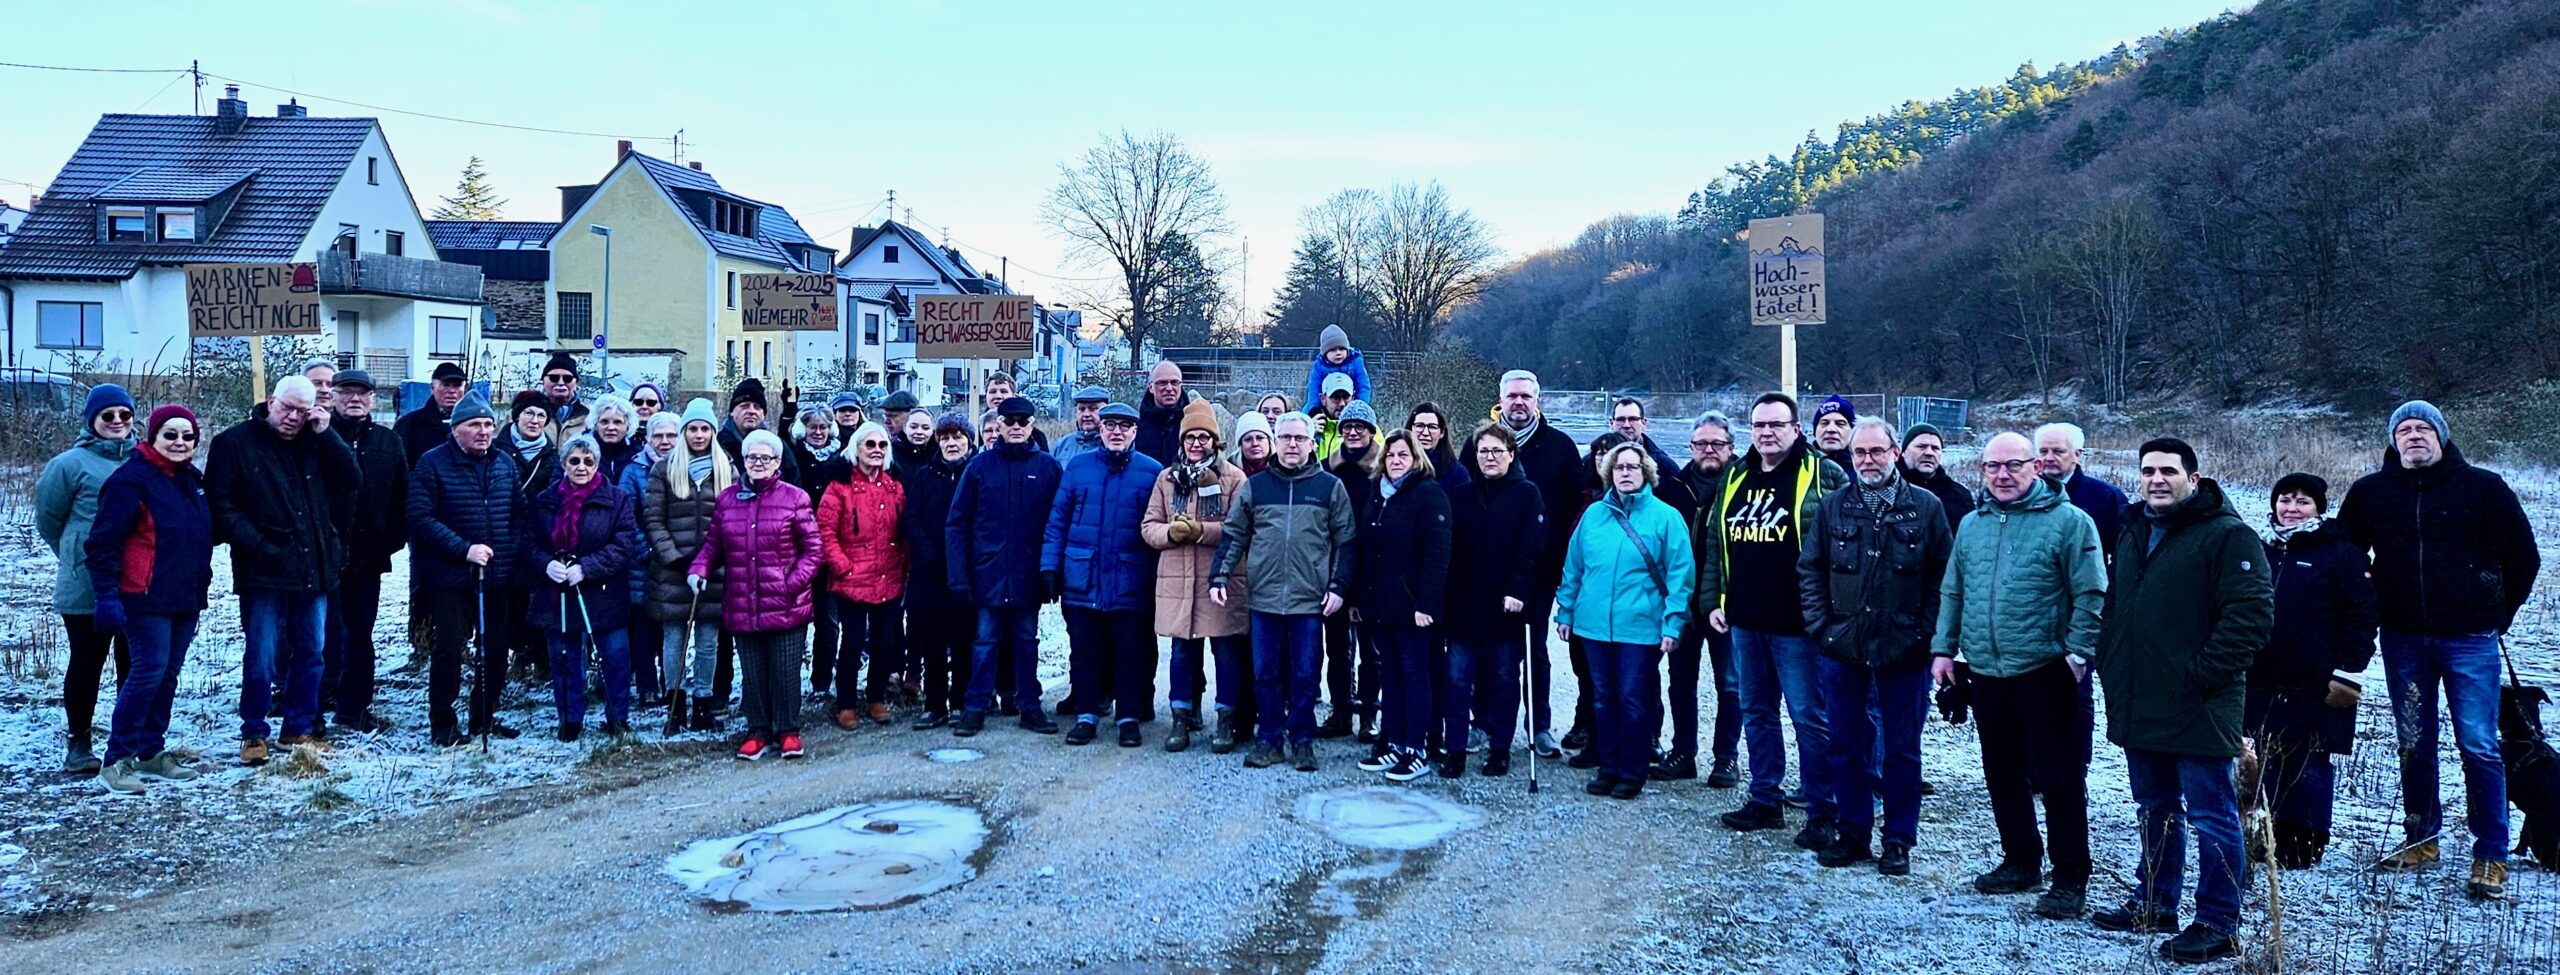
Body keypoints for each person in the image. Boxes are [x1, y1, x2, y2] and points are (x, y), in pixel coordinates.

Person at [2340, 400, 2540, 900]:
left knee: (2478, 745)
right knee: (2414, 741)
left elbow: (2524, 556)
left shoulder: (2483, 488)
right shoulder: (2370, 494)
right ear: (2393, 441)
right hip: (2404, 638)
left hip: (2471, 639)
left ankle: (2490, 852)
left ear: (2442, 437)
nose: (2413, 436)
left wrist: (2497, 611)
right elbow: (2344, 557)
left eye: (2423, 428)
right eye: (2403, 430)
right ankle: (2422, 839)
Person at [2089, 437, 2271, 963]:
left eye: (2169, 471)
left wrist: (2201, 675)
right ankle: (2155, 901)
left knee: (2211, 813)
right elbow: (2117, 606)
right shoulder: (2132, 529)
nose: (2156, 480)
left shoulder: (2228, 536)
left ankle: (2217, 921)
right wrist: (2109, 658)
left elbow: (2251, 618)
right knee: (2154, 807)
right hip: (2138, 694)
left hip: (2199, 700)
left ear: (2194, 478)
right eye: (2148, 471)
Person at [1931, 431, 2106, 920]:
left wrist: (2076, 654)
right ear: (1981, 471)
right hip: (1986, 670)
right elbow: (1953, 591)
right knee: (2002, 771)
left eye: (2014, 465)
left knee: (2059, 777)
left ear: (2036, 467)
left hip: (2045, 670)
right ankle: (2021, 859)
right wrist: (1944, 649)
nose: (2003, 475)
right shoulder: (1972, 525)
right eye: (1993, 467)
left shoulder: (2070, 522)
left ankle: (2070, 875)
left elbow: (2091, 593)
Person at [1798, 418, 1952, 873]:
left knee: (1902, 749)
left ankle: (1899, 840)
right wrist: (1822, 628)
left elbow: (1943, 577)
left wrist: (1925, 632)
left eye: (1876, 452)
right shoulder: (1833, 507)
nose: (1867, 461)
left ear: (1895, 453)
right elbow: (1811, 570)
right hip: (1842, 646)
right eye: (1859, 453)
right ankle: (1853, 833)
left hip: (1904, 649)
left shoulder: (1925, 508)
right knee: (1846, 744)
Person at [1697, 392, 1848, 845]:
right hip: (1745, 619)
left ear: (1795, 429)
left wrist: (1831, 612)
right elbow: (1714, 546)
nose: (1767, 432)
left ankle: (1825, 809)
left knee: (1809, 717)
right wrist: (1713, 599)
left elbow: (1845, 546)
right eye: (1759, 425)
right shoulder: (1736, 475)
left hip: (1799, 625)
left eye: (1776, 425)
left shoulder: (1824, 474)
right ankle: (1765, 798)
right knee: (1756, 712)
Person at [206, 376, 357, 765]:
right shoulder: (233, 444)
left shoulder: (316, 441)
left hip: (315, 565)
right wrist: (260, 546)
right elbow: (221, 509)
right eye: (287, 408)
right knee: (263, 653)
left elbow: (351, 480)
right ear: (270, 401)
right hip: (264, 570)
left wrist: (327, 436)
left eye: (302, 412)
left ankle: (299, 727)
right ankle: (254, 732)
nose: (293, 417)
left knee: (312, 651)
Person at [1211, 412, 1357, 772]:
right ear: (1276, 442)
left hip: (1310, 601)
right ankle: (1270, 739)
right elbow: (1234, 534)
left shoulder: (1329, 488)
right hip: (1264, 599)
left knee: (1306, 674)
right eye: (1286, 438)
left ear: (1312, 443)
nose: (1293, 444)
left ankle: (1302, 739)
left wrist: (1338, 587)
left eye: (1300, 438)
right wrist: (1219, 576)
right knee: (1266, 673)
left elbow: (1347, 542)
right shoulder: (1257, 487)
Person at [2248, 473, 2377, 870]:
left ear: (2319, 508)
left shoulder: (2341, 553)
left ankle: (2306, 842)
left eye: (2303, 501)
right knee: (2266, 757)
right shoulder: (2260, 549)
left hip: (2319, 680)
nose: (2292, 508)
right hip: (2264, 675)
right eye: (2285, 500)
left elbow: (2362, 616)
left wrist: (2348, 673)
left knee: (2310, 762)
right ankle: (2265, 835)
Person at [1557, 441, 1694, 801]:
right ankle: (1608, 765)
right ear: (1609, 473)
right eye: (1619, 468)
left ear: (1646, 472)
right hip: (1593, 625)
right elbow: (1574, 568)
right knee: (1602, 697)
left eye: (1633, 467)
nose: (1626, 473)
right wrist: (1566, 611)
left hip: (1641, 627)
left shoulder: (1666, 518)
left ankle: (1632, 770)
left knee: (1634, 698)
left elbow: (1681, 575)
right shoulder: (1593, 516)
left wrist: (1673, 623)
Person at [86, 405, 212, 795]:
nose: (179, 442)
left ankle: (150, 751)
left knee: (167, 676)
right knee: (147, 673)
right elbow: (102, 543)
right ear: (152, 436)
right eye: (170, 435)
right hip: (143, 596)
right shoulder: (131, 480)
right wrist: (107, 594)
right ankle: (117, 759)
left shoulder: (190, 478)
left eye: (187, 436)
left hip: (185, 596)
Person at [690, 430, 823, 761]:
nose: (758, 463)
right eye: (752, 457)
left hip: (786, 603)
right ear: (743, 461)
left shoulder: (795, 498)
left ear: (777, 462)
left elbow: (813, 550)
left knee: (785, 669)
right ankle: (758, 730)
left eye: (766, 458)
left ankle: (788, 730)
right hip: (742, 599)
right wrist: (699, 569)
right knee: (753, 670)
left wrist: (791, 584)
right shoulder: (727, 499)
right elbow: (713, 545)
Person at [406, 392, 522, 747]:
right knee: (450, 650)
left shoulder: (504, 464)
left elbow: (519, 514)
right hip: (450, 576)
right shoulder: (432, 463)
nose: (484, 431)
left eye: (489, 424)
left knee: (496, 650)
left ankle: (483, 717)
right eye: (474, 425)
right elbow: (420, 517)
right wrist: (463, 550)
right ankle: (443, 722)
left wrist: (506, 550)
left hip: (497, 576)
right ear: (456, 429)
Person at [1047, 402, 1166, 746]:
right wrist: (1050, 567)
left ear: (1134, 432)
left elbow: (1157, 528)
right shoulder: (1078, 468)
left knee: (1128, 652)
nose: (1116, 432)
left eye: (1124, 426)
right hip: (1082, 577)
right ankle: (1086, 714)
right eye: (1110, 425)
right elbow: (1058, 521)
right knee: (1085, 651)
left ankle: (1128, 717)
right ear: (1100, 430)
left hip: (1130, 580)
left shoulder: (1151, 472)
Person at [948, 396, 1065, 737]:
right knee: (984, 643)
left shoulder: (1048, 468)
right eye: (1008, 421)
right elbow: (957, 523)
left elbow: (1058, 523)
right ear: (997, 425)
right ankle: (976, 707)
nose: (1015, 427)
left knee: (1027, 642)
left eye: (1022, 421)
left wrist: (1052, 572)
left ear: (1032, 425)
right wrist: (959, 575)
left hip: (1030, 574)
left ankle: (1029, 705)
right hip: (988, 573)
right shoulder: (979, 467)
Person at [36, 383, 135, 773]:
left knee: (135, 661)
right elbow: (48, 518)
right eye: (107, 415)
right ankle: (79, 742)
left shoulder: (144, 459)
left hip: (137, 580)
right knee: (86, 662)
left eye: (124, 415)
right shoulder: (69, 464)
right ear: (92, 420)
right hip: (85, 583)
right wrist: (75, 554)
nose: (116, 422)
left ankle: (127, 739)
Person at [1143, 399, 1253, 753]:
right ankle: (1181, 718)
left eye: (1204, 437)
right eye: (1191, 437)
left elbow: (1238, 530)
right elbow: (1149, 526)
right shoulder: (1166, 478)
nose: (1196, 443)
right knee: (1181, 655)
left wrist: (1200, 531)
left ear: (1215, 441)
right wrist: (1169, 534)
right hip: (1178, 582)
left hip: (1220, 580)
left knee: (1226, 653)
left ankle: (1225, 720)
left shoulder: (1234, 478)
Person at [1443, 422, 1547, 778]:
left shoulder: (1526, 493)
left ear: (1510, 455)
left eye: (1497, 451)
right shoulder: (1461, 494)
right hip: (1463, 605)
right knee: (1457, 681)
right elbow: (1449, 549)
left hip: (1507, 607)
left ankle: (1499, 748)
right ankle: (1455, 748)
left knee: (1504, 679)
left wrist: (1518, 591)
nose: (1490, 458)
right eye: (1483, 451)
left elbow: (1531, 548)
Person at [523, 434, 642, 742]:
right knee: (564, 657)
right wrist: (546, 564)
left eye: (588, 461)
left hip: (603, 590)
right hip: (558, 591)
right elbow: (530, 541)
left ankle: (617, 717)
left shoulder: (617, 499)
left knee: (614, 657)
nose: (581, 467)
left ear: (597, 463)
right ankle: (570, 718)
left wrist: (587, 568)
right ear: (563, 464)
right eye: (574, 461)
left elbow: (624, 542)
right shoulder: (546, 500)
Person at [1351, 429, 1453, 782]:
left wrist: (1427, 603)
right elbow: (1366, 550)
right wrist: (1360, 599)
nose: (1395, 461)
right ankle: (1393, 742)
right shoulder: (1378, 495)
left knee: (1415, 675)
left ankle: (1416, 747)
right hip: (1381, 606)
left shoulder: (1428, 494)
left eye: (1403, 455)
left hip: (1414, 608)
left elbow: (1438, 554)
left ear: (1415, 459)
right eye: (1391, 455)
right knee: (1389, 675)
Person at [1496, 370, 1586, 758]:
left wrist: (1556, 553)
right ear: (1501, 399)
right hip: (1490, 570)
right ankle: (1488, 722)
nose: (1519, 403)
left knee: (1534, 650)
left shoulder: (1560, 447)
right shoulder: (1483, 444)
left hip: (1541, 570)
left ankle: (1540, 726)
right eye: (1512, 396)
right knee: (1492, 649)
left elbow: (1575, 508)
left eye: (1526, 397)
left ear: (1537, 401)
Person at [1656, 412, 1740, 786]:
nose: (1709, 450)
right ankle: (1683, 751)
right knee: (1681, 681)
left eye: (1717, 444)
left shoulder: (1745, 484)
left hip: (1729, 602)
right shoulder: (1673, 487)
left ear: (1731, 448)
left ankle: (1726, 757)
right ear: (1690, 448)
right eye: (1701, 444)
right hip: (1684, 602)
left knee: (1730, 684)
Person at [325, 369, 406, 734]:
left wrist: (390, 539)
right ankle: (313, 703)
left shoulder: (388, 442)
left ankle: (354, 708)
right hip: (323, 556)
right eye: (346, 392)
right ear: (333, 396)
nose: (354, 399)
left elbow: (403, 496)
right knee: (320, 634)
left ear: (374, 399)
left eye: (362, 393)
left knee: (360, 633)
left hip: (368, 558)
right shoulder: (319, 438)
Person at [646, 399, 732, 735]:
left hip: (713, 572)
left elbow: (732, 521)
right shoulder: (664, 469)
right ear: (684, 432)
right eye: (693, 428)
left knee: (708, 641)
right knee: (674, 640)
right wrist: (676, 558)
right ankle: (675, 703)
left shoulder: (727, 469)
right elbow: (653, 519)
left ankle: (703, 703)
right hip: (673, 569)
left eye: (705, 429)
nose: (699, 435)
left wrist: (713, 562)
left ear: (713, 431)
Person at [819, 422, 908, 729]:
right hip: (852, 579)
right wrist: (843, 566)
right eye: (869, 445)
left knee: (884, 642)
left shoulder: (895, 487)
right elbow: (825, 532)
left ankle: (876, 698)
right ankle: (845, 703)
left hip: (889, 576)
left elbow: (904, 530)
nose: (876, 451)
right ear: (855, 449)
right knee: (853, 643)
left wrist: (905, 564)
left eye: (882, 445)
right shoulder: (839, 487)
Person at [901, 413, 976, 729]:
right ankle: (934, 704)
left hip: (967, 572)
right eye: (945, 437)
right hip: (930, 572)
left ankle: (960, 701)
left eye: (957, 437)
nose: (951, 443)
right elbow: (911, 517)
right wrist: (928, 553)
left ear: (968, 441)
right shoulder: (925, 474)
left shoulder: (976, 473)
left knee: (963, 642)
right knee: (932, 642)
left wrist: (967, 557)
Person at [1321, 399, 1383, 741]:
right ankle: (1341, 710)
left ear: (1371, 432)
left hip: (1372, 572)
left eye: (1360, 426)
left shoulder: (1383, 470)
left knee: (1372, 652)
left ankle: (1369, 715)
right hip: (1334, 569)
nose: (1353, 431)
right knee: (1337, 649)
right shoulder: (1327, 469)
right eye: (1347, 426)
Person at [620, 412, 681, 703]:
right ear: (648, 438)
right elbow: (626, 517)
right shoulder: (633, 471)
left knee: (670, 627)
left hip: (678, 560)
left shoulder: (686, 467)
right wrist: (651, 549)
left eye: (671, 436)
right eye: (659, 436)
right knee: (644, 627)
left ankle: (671, 683)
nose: (665, 441)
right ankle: (646, 686)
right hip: (643, 561)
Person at [502, 390, 557, 684]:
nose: (534, 420)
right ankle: (516, 654)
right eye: (529, 414)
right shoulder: (498, 449)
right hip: (504, 533)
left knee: (538, 598)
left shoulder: (552, 455)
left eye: (540, 416)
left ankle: (539, 656)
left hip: (540, 536)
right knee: (511, 599)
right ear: (517, 416)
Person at [1898, 423, 1973, 536]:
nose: (1929, 453)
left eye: (1935, 448)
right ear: (1903, 452)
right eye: (1921, 446)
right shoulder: (1885, 490)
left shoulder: (1960, 496)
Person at [719, 378, 796, 484]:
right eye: (744, 406)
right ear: (732, 411)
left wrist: (789, 416)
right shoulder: (718, 447)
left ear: (763, 414)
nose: (751, 411)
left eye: (757, 407)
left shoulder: (777, 447)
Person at [399, 361, 470, 466]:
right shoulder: (409, 425)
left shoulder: (477, 424)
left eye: (457, 385)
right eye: (445, 385)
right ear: (432, 388)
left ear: (465, 389)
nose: (451, 391)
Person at [1135, 361, 1195, 468]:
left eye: (1174, 382)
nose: (1169, 388)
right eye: (1162, 383)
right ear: (1151, 387)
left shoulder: (1194, 424)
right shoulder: (1135, 426)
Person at [1606, 397, 1686, 475]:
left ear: (1644, 423)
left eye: (1633, 419)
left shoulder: (1666, 468)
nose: (1626, 425)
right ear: (1611, 423)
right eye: (1620, 419)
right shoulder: (1597, 462)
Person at [1406, 403, 1469, 493]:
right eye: (1420, 426)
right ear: (1411, 429)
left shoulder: (1456, 473)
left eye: (1432, 427)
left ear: (1442, 432)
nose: (1425, 433)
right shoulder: (1396, 465)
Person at [1304, 324, 1373, 407]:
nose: (1338, 353)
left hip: (1351, 400)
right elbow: (1314, 390)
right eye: (1333, 350)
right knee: (1308, 411)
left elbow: (1363, 385)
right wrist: (1314, 409)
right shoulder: (1319, 367)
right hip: (1328, 402)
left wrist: (1361, 404)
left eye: (1342, 349)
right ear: (1325, 354)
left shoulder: (1355, 362)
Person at [981, 374, 1050, 451]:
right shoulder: (976, 430)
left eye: (1003, 391)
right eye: (992, 392)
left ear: (1014, 395)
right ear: (986, 396)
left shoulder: (1035, 435)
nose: (998, 396)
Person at [538, 352, 591, 444]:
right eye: (554, 378)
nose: (561, 382)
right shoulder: (524, 413)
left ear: (576, 384)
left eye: (568, 378)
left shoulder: (590, 416)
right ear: (543, 381)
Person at [1052, 385, 1110, 467]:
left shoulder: (1115, 446)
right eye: (1081, 409)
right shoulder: (1062, 446)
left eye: (1093, 409)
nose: (1086, 414)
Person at [590, 395, 640, 485]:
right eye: (604, 422)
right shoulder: (581, 451)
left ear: (628, 425)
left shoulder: (637, 456)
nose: (611, 427)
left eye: (617, 422)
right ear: (595, 424)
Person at [1312, 373, 1354, 460]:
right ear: (1323, 399)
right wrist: (1307, 435)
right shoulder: (1309, 428)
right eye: (1336, 397)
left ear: (1353, 398)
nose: (1342, 404)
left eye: (1346, 397)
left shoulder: (1368, 429)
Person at [1810, 395, 1856, 471]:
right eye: (1824, 423)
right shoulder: (1798, 466)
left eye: (1840, 423)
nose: (1831, 429)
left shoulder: (1863, 468)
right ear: (1814, 431)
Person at [1234, 412, 1273, 477]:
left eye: (1260, 438)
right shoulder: (1228, 473)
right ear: (1240, 445)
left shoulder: (1285, 470)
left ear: (1269, 442)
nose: (1255, 444)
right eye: (1248, 439)